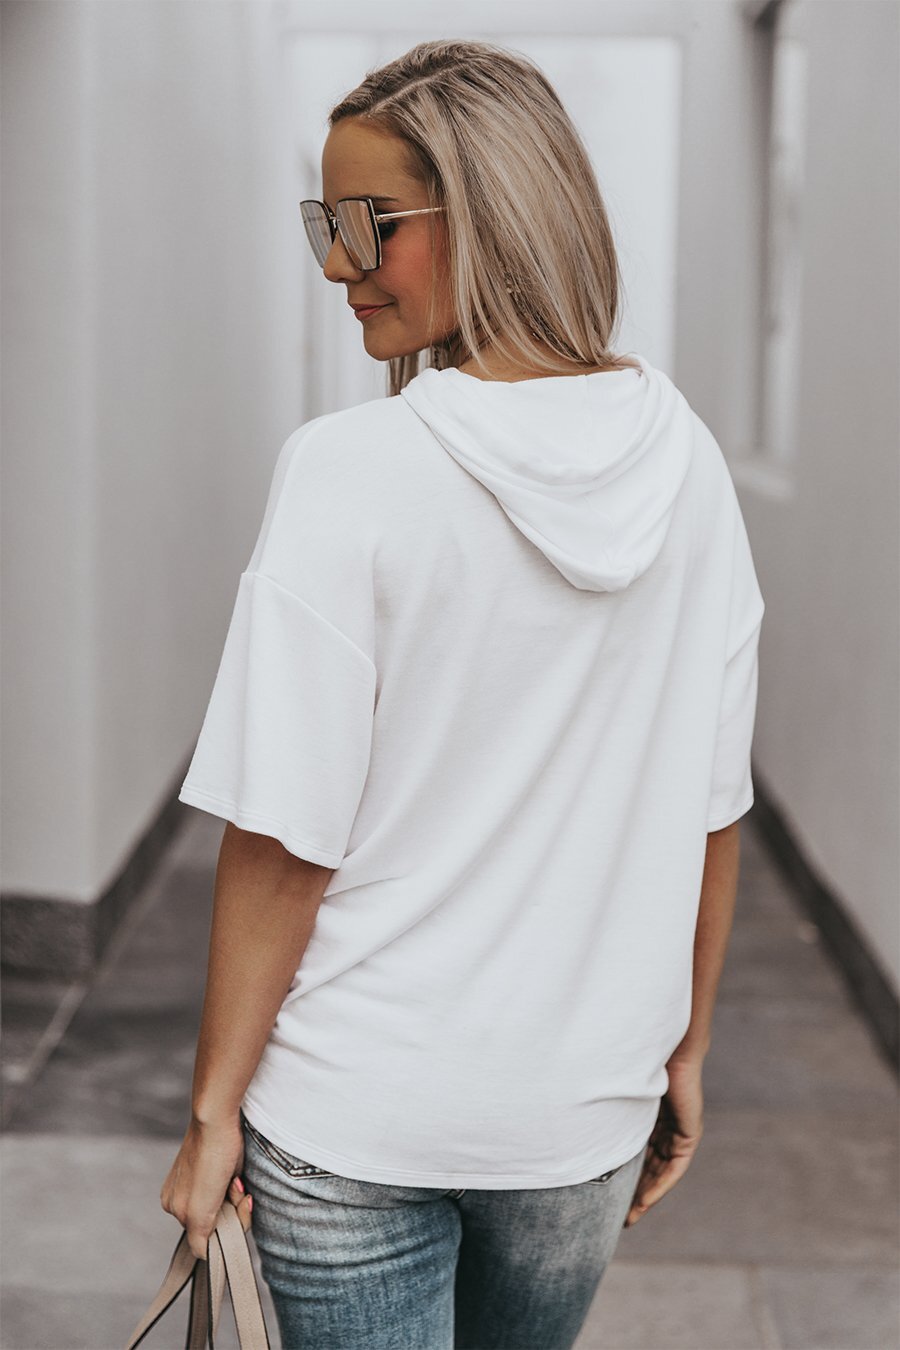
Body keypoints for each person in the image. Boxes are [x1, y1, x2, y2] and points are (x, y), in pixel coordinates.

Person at [161, 38, 764, 1350]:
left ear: (489, 210)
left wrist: (210, 1114)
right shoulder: (691, 462)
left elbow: (283, 841)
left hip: (352, 1116)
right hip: (583, 1118)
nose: (335, 265)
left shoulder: (346, 468)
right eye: (322, 222)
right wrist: (684, 1051)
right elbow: (713, 811)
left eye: (366, 224)